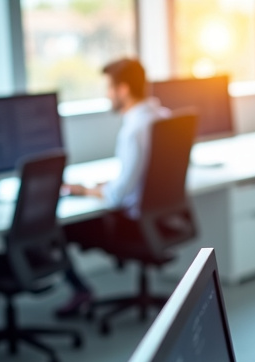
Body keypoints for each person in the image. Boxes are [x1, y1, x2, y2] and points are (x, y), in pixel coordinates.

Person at [56, 58, 170, 317]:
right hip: (161, 218)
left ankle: (80, 290)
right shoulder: (162, 116)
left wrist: (85, 191)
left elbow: (117, 197)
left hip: (132, 225)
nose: (106, 95)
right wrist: (106, 185)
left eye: (109, 88)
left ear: (123, 90)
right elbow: (144, 176)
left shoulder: (134, 130)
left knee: (61, 228)